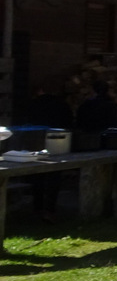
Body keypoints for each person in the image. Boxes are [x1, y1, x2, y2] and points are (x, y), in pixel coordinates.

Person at [20, 85, 74, 221]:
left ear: (39, 91)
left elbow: (27, 122)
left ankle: (37, 207)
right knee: (54, 177)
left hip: (37, 141)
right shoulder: (62, 104)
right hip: (57, 143)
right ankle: (50, 209)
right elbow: (69, 123)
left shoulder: (34, 104)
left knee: (37, 177)